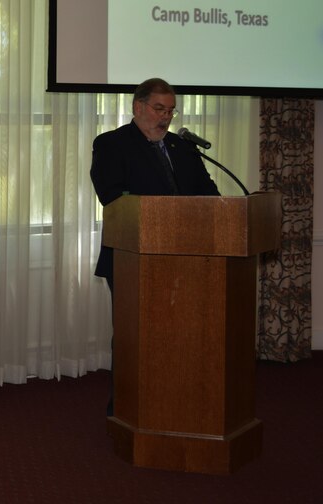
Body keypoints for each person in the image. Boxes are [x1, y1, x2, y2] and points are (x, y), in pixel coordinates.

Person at [90, 77, 220, 415]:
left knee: (182, 334)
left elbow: (209, 195)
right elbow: (112, 195)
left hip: (187, 257)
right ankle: (126, 405)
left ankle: (177, 400)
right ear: (138, 107)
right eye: (159, 109)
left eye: (171, 111)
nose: (165, 117)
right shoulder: (111, 144)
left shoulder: (183, 147)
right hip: (132, 255)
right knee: (135, 335)